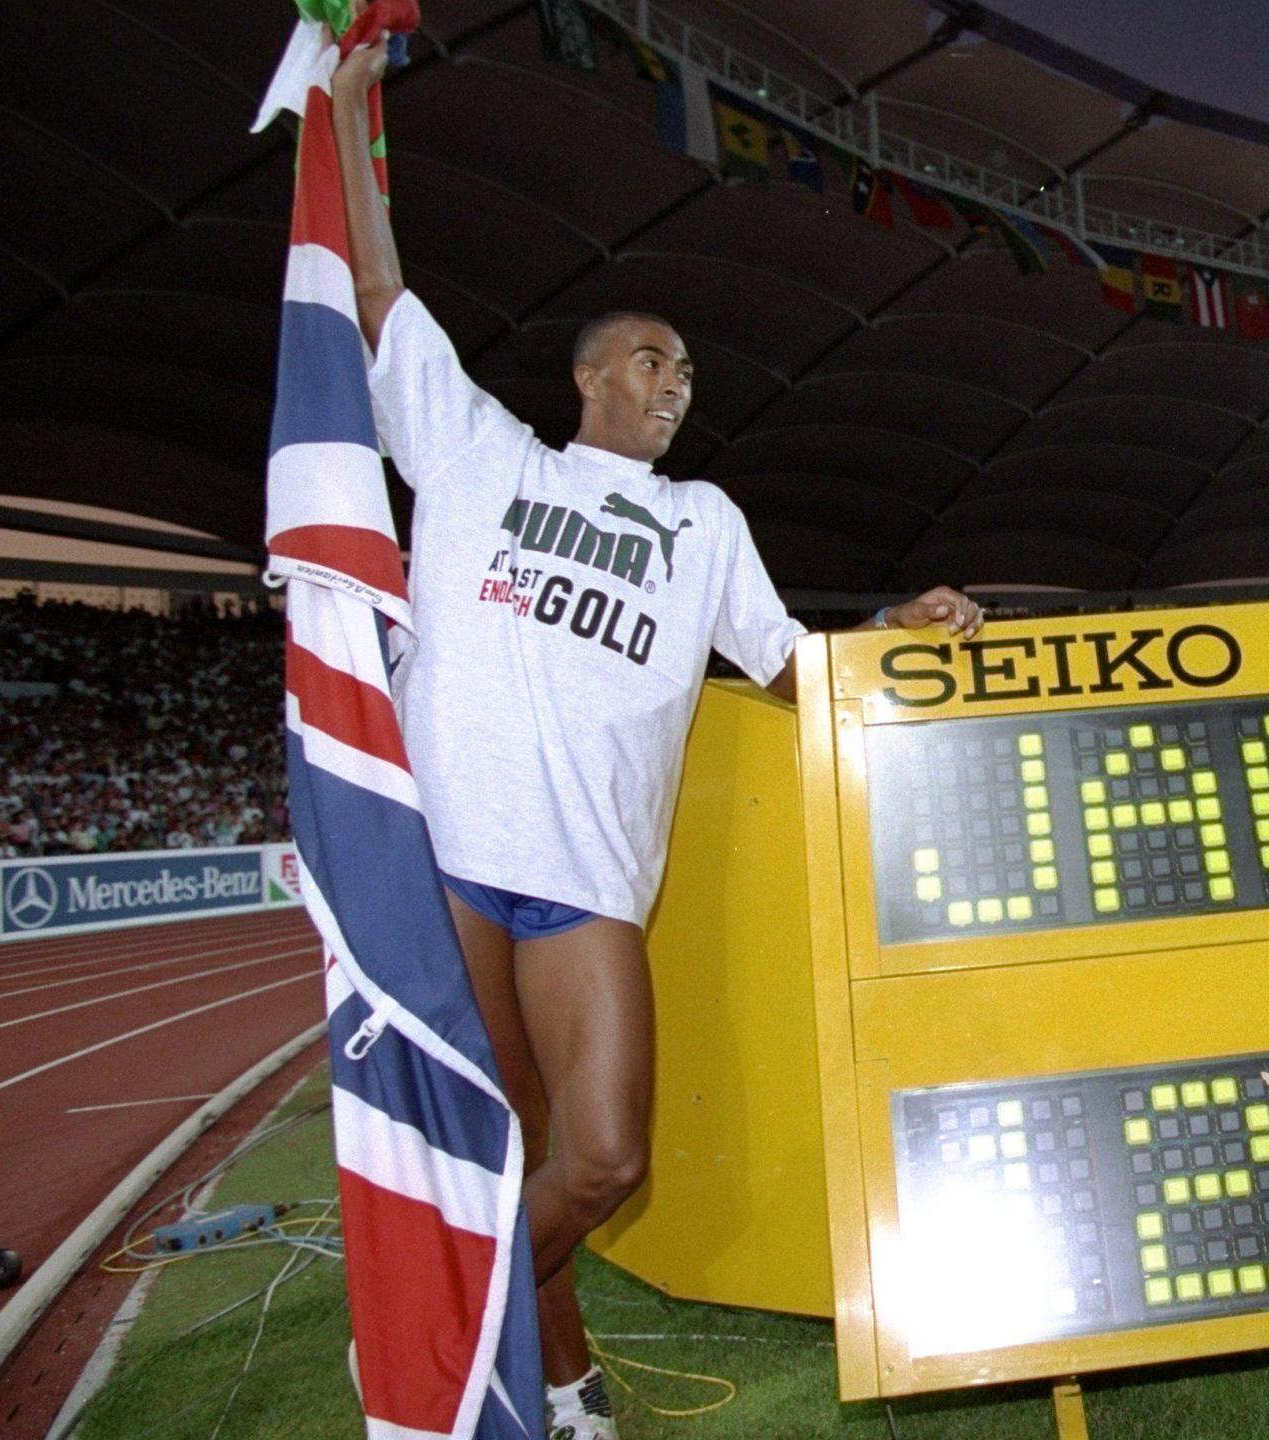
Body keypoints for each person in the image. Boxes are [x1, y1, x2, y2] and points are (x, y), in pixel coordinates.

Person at [326, 38, 985, 1440]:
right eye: (649, 358)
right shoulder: (478, 452)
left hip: (585, 881)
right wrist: (339, 108)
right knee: (503, 1151)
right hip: (452, 857)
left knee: (604, 1155)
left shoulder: (705, 526)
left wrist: (895, 631)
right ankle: (561, 1389)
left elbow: (793, 664)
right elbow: (379, 292)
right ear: (587, 377)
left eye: (686, 368)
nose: (675, 381)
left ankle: (444, 1325)